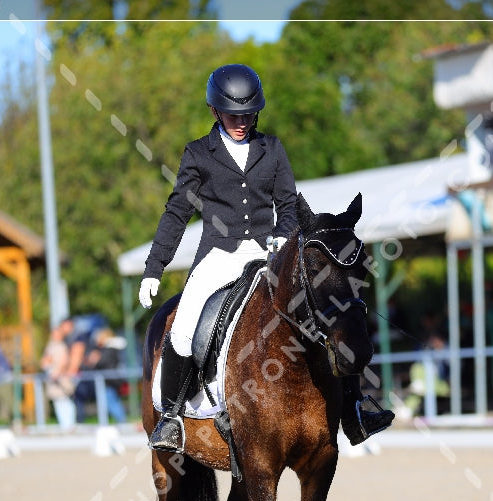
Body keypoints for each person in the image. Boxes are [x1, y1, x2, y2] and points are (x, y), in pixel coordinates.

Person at [138, 63, 393, 452]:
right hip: (218, 256)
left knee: (329, 309)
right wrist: (153, 268)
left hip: (267, 251)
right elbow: (177, 212)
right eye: (233, 115)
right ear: (215, 112)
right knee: (185, 326)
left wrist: (278, 237)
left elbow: (287, 204)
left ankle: (354, 410)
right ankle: (172, 419)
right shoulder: (197, 154)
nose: (242, 122)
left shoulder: (271, 148)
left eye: (249, 114)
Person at [72, 328, 126, 424]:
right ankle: (119, 422)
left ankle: (122, 422)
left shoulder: (109, 350)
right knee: (109, 402)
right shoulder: (108, 349)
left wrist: (95, 360)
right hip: (107, 381)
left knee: (111, 403)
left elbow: (102, 363)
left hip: (108, 381)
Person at [40, 323, 76, 431]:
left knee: (64, 400)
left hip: (60, 379)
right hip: (53, 379)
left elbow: (64, 362)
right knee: (58, 402)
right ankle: (64, 425)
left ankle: (69, 425)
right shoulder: (50, 347)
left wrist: (57, 372)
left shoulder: (62, 346)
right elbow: (45, 361)